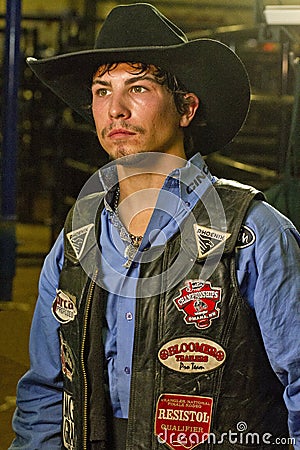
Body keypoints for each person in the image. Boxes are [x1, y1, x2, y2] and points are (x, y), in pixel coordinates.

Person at [9, 3, 300, 450]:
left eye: (138, 88)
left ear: (186, 109)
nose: (116, 110)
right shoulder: (75, 242)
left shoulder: (255, 235)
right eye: (102, 91)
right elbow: (46, 392)